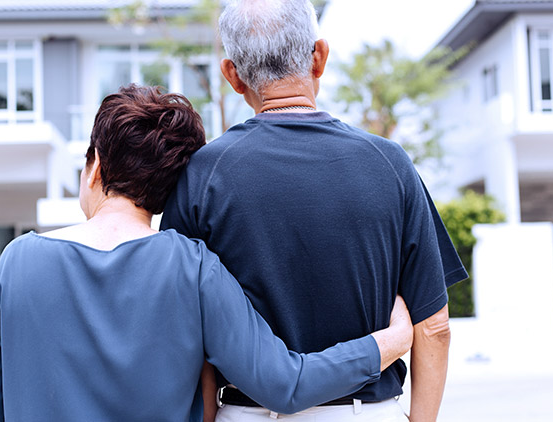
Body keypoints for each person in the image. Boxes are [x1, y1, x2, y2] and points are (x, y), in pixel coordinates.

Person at [0, 85, 414, 422]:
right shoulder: (193, 268)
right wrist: (388, 343)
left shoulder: (16, 265)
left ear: (94, 165)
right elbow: (285, 383)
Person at [160, 1, 469, 421]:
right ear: (319, 56)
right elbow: (433, 328)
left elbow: (190, 339)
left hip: (249, 412)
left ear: (232, 75)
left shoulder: (200, 176)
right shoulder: (390, 165)